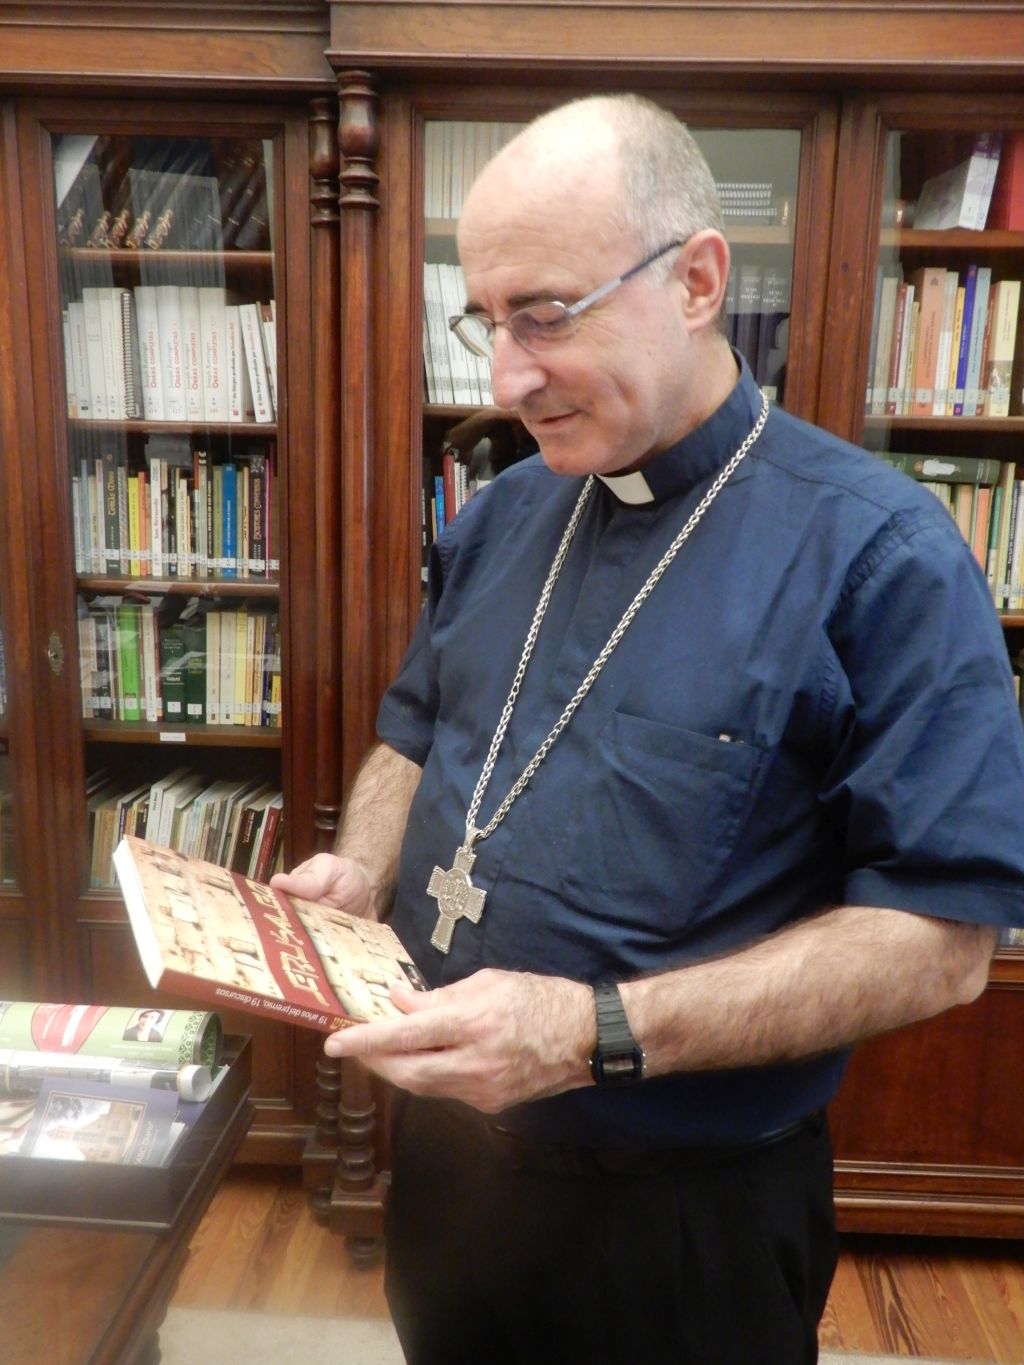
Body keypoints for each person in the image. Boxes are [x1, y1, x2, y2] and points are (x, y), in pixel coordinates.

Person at [272, 94, 1024, 1365]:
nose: (507, 378)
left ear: (696, 280)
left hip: (685, 1219)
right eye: (489, 322)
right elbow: (415, 733)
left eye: (546, 317)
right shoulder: (500, 515)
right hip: (450, 1175)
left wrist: (591, 1033)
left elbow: (937, 940)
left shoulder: (881, 554)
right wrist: (366, 865)